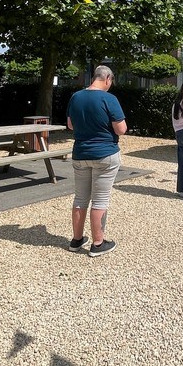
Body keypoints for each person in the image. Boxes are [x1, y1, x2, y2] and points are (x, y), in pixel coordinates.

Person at [66, 65, 127, 257]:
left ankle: (76, 240)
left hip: (81, 153)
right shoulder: (109, 99)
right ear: (107, 78)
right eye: (111, 82)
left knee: (80, 198)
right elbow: (121, 129)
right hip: (104, 154)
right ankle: (98, 243)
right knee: (100, 200)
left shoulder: (76, 97)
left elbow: (70, 125)